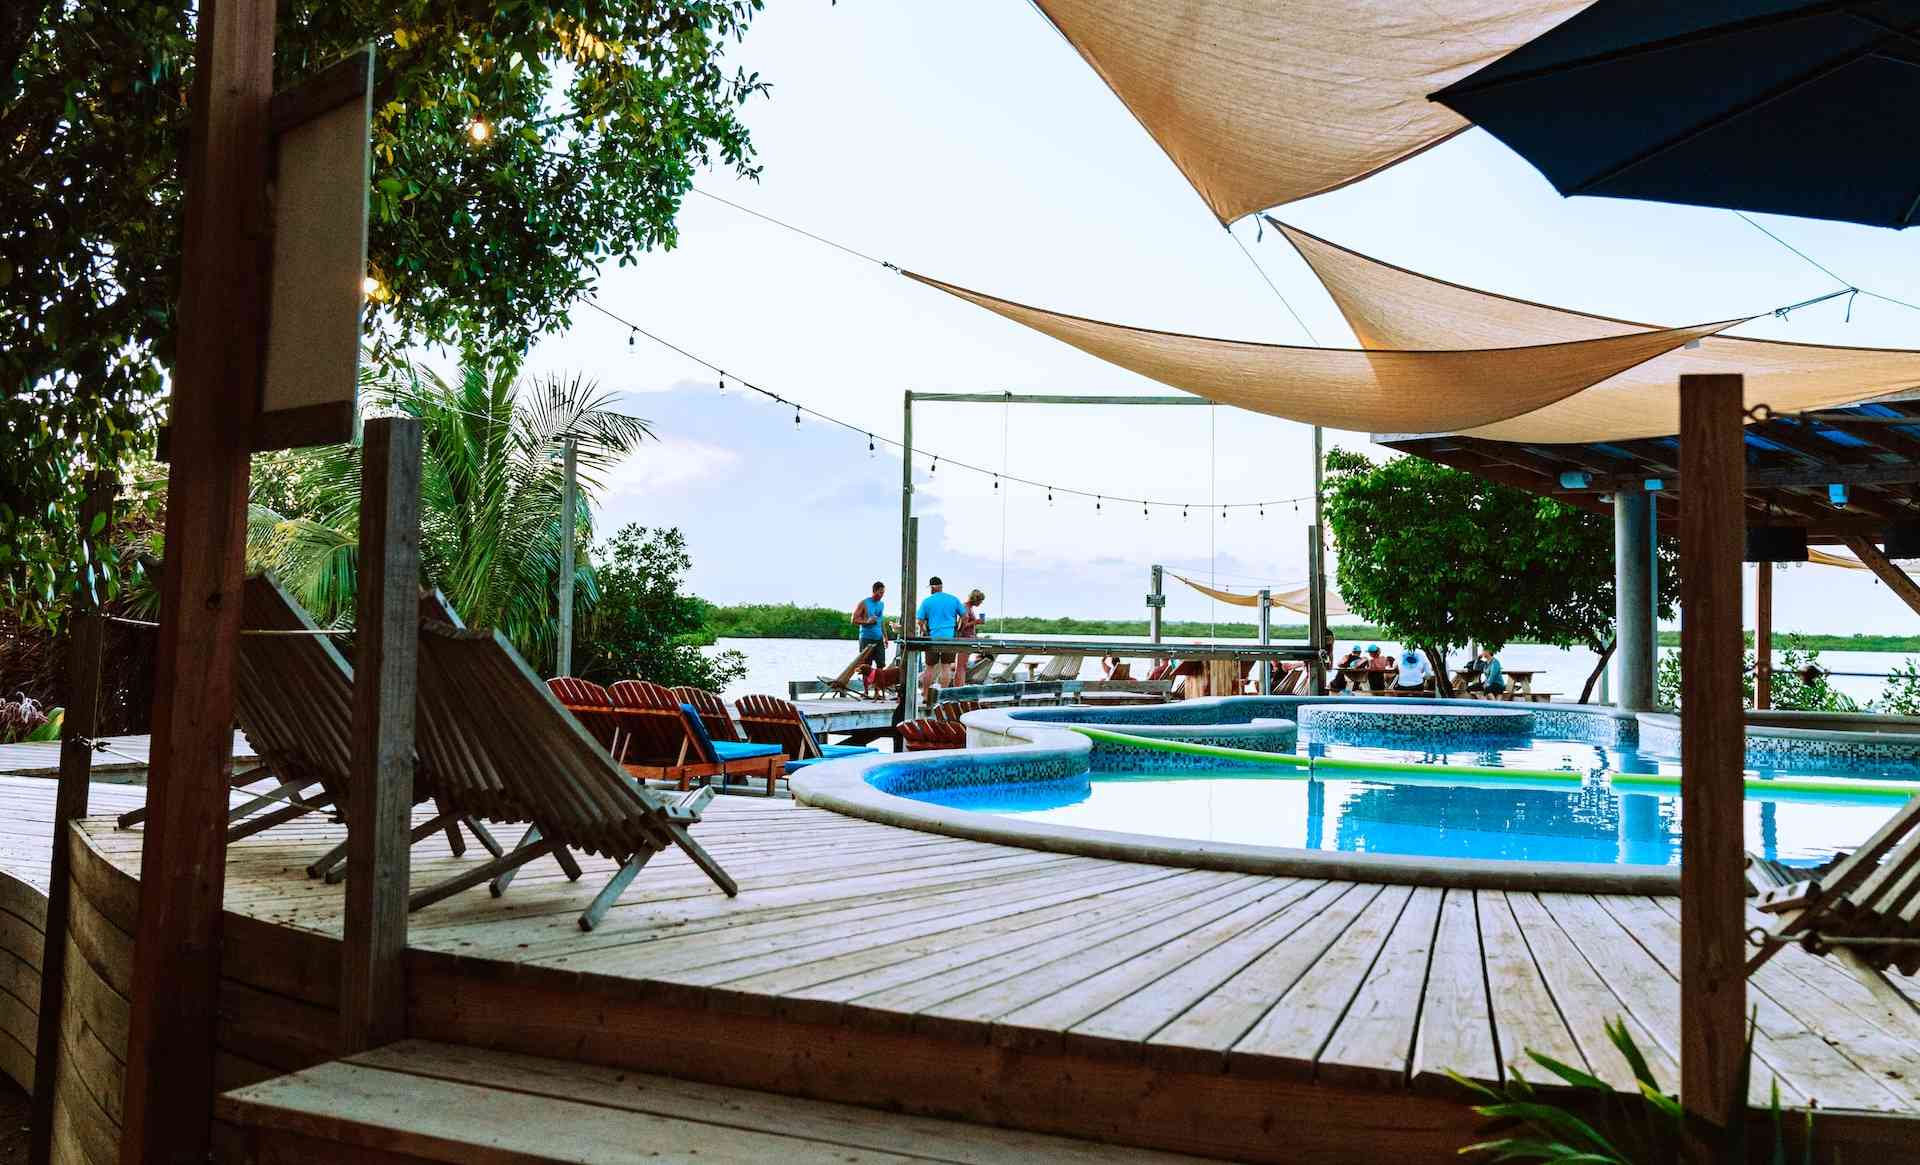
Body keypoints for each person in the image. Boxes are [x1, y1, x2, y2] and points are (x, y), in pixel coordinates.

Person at [915, 576, 966, 693]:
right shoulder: (953, 599)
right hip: (949, 637)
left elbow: (919, 621)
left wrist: (925, 632)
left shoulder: (927, 601)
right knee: (946, 667)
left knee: (929, 668)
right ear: (941, 586)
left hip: (932, 637)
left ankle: (926, 695)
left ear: (933, 587)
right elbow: (965, 617)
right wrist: (959, 630)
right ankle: (942, 696)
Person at [953, 588, 987, 685]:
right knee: (960, 666)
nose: (981, 603)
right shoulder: (964, 607)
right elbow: (961, 626)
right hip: (964, 640)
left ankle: (961, 688)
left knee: (963, 666)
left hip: (969, 639)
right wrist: (976, 622)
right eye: (980, 601)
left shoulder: (970, 608)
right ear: (975, 599)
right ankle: (958, 690)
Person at [850, 580, 887, 668]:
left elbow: (881, 621)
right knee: (866, 665)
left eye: (883, 593)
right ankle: (866, 682)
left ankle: (878, 681)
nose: (882, 595)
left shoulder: (881, 604)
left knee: (881, 664)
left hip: (879, 639)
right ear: (874, 591)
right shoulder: (864, 603)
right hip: (866, 639)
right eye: (880, 592)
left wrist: (885, 637)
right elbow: (853, 620)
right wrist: (867, 622)